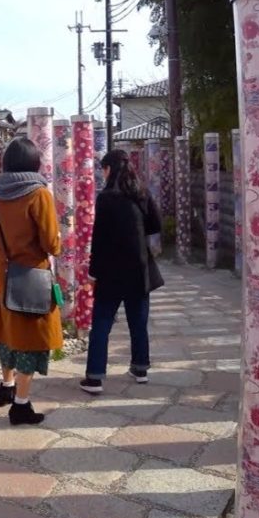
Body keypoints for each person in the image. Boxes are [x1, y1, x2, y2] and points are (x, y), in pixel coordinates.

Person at [0, 137, 62, 425]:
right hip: (33, 278)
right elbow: (51, 243)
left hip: (7, 275)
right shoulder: (39, 194)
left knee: (8, 333)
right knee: (31, 341)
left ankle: (6, 387)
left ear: (6, 164)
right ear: (35, 163)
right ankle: (21, 404)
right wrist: (58, 242)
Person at [80, 148, 164, 395]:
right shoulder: (141, 193)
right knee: (138, 322)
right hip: (139, 268)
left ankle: (95, 377)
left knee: (102, 324)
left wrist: (93, 272)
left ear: (110, 169)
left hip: (110, 272)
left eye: (103, 169)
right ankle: (140, 369)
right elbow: (156, 225)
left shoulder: (106, 198)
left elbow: (99, 239)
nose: (103, 174)